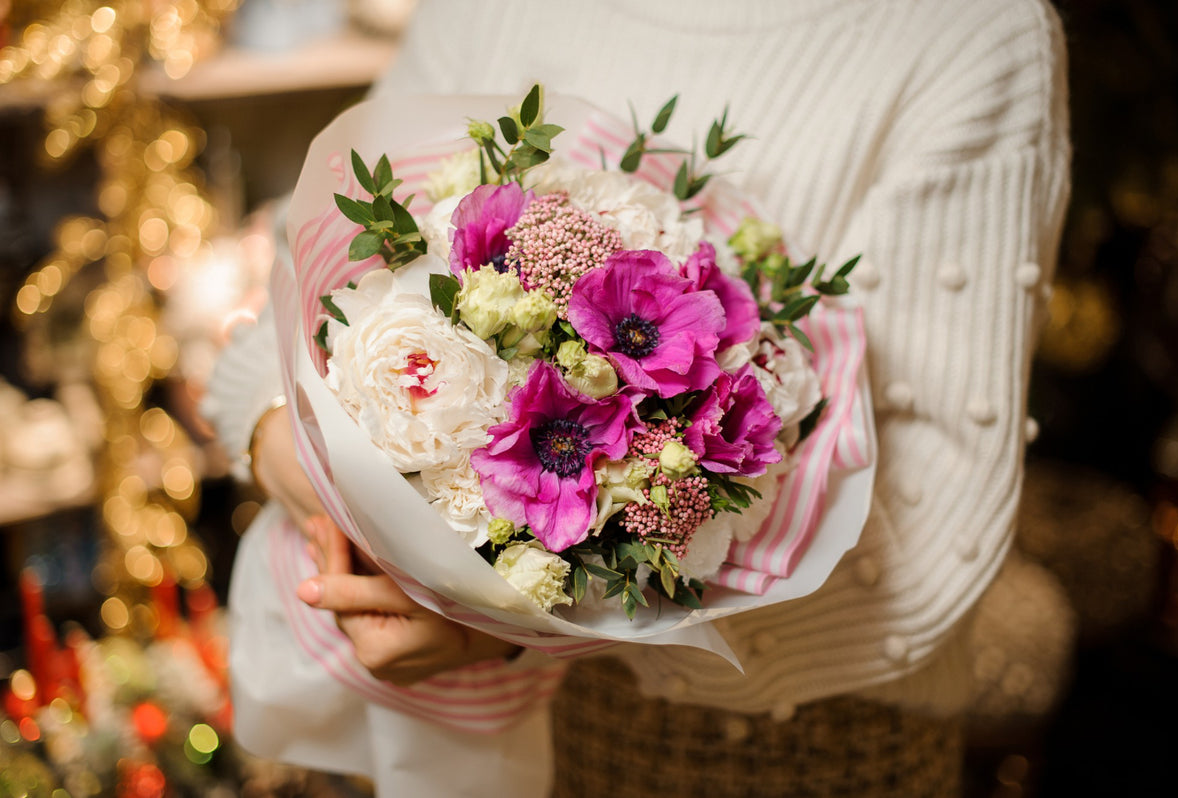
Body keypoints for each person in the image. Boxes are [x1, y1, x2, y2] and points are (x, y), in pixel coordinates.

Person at [204, 0, 1071, 794]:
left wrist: (513, 622)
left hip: (799, 756)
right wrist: (290, 456)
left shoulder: (969, 31)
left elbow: (926, 544)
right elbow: (312, 277)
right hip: (471, 724)